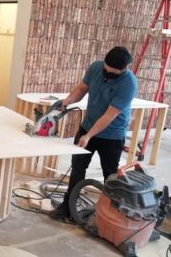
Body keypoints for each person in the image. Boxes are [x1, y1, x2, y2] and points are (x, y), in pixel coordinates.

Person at [49, 46, 138, 220]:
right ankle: (68, 206)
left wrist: (89, 135)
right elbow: (82, 88)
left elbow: (110, 115)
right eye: (106, 70)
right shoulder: (96, 67)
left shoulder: (129, 83)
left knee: (110, 175)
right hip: (88, 125)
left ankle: (109, 213)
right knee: (77, 167)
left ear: (124, 69)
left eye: (112, 74)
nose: (107, 75)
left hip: (112, 135)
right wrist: (66, 101)